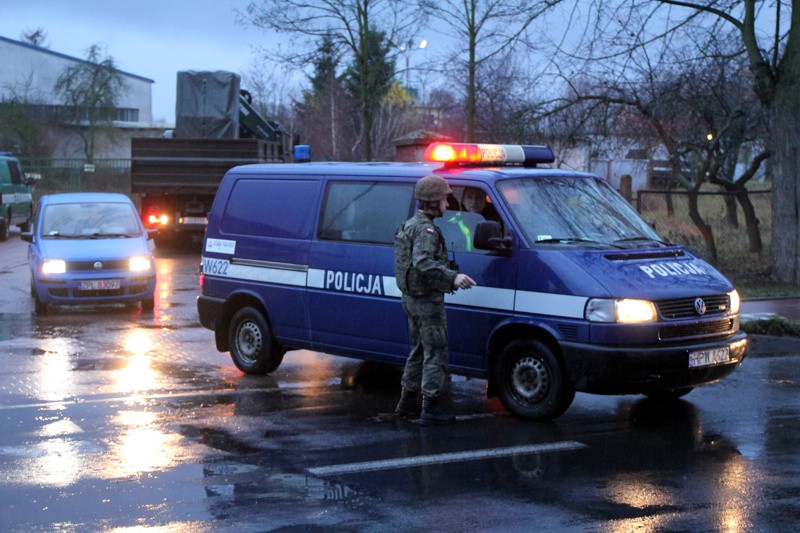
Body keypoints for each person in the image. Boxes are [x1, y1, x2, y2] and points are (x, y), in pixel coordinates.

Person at [394, 175, 477, 424]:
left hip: (411, 298)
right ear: (432, 202)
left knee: (419, 349)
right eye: (444, 199)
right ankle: (430, 409)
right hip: (426, 300)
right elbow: (422, 262)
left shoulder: (411, 224)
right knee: (436, 351)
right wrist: (453, 277)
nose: (447, 204)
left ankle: (407, 402)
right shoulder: (426, 229)